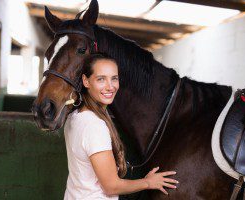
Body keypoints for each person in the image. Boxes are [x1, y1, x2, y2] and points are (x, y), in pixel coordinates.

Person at [63, 53, 178, 200]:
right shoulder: (94, 126)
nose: (110, 86)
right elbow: (111, 186)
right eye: (101, 79)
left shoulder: (75, 115)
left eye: (114, 78)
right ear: (86, 81)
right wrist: (148, 182)